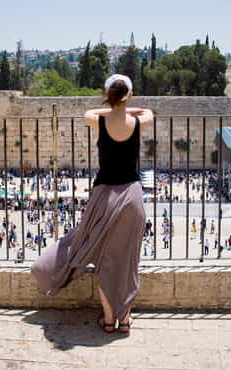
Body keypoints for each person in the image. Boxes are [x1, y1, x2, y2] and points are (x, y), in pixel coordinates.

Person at [32, 74, 153, 335]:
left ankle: (109, 321)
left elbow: (89, 111)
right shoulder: (138, 122)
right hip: (132, 197)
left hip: (104, 199)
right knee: (127, 261)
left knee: (106, 262)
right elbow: (149, 112)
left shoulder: (97, 120)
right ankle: (126, 319)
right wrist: (125, 105)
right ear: (129, 95)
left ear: (107, 95)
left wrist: (112, 105)